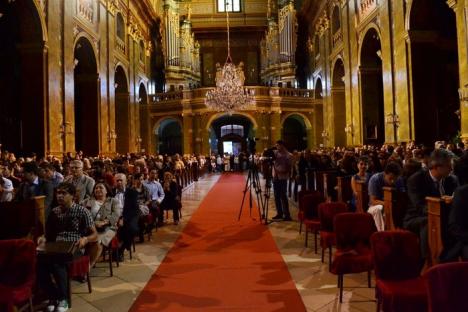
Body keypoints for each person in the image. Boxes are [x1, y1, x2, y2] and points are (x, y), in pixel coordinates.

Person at [37, 182, 98, 312]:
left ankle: (63, 299)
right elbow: (49, 234)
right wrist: (43, 238)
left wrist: (85, 239)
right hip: (57, 246)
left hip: (74, 247)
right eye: (58, 193)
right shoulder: (55, 211)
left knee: (57, 262)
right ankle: (54, 296)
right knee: (39, 263)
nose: (59, 196)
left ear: (72, 196)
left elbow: (95, 235)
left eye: (63, 193)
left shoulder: (82, 211)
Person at [404, 149, 459, 261]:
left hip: (444, 216)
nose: (451, 169)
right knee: (431, 222)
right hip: (416, 218)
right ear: (436, 166)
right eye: (448, 166)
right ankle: (430, 260)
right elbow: (419, 206)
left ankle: (453, 259)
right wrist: (441, 206)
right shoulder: (416, 179)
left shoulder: (451, 180)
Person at [81, 182, 121, 266]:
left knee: (98, 242)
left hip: (108, 228)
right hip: (91, 227)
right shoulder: (87, 201)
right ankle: (80, 265)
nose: (98, 189)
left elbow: (116, 214)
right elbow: (81, 214)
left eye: (101, 188)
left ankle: (88, 267)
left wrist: (105, 222)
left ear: (106, 191)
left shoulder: (113, 201)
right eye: (96, 188)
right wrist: (94, 223)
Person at [367, 162, 405, 231]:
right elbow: (372, 201)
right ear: (385, 174)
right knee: (379, 209)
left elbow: (402, 195)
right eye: (390, 178)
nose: (393, 181)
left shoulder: (399, 179)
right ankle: (381, 233)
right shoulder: (375, 179)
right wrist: (387, 203)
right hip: (375, 207)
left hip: (393, 205)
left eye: (395, 179)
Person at [272, 140, 293, 221]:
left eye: (278, 145)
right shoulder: (275, 153)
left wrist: (281, 172)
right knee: (276, 196)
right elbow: (267, 155)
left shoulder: (288, 155)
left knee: (283, 196)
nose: (277, 147)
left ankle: (287, 214)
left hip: (282, 177)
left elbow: (289, 168)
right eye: (276, 145)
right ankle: (279, 213)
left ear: (282, 145)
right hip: (275, 177)